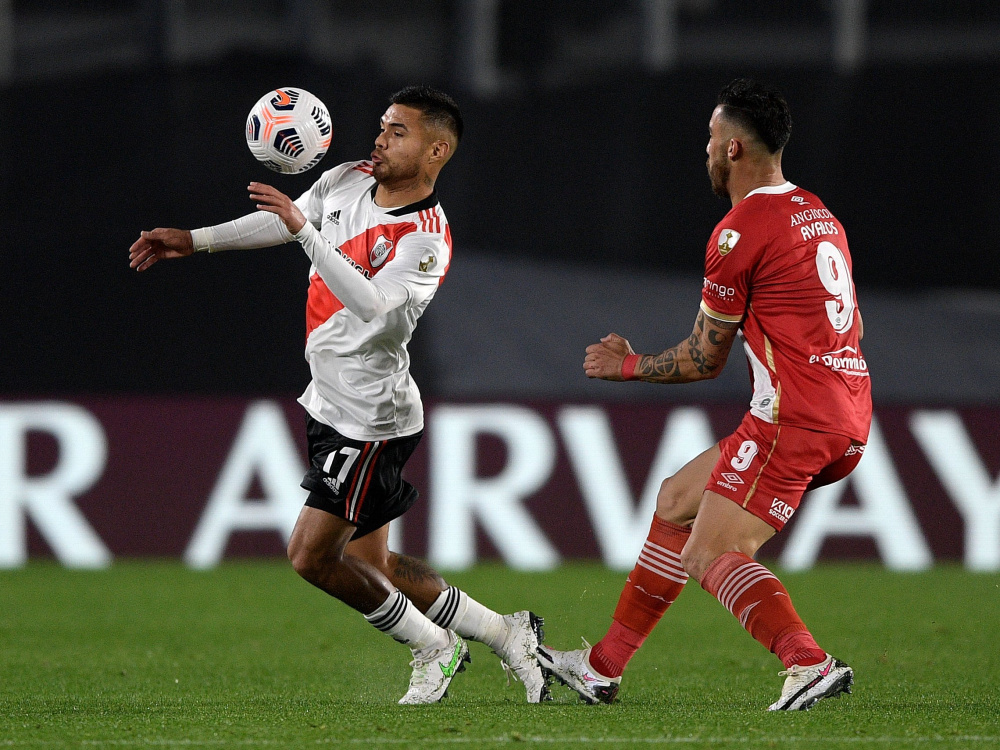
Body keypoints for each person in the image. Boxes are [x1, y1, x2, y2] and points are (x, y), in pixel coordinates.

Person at [128, 85, 548, 705]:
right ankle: (506, 632)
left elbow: (374, 308)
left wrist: (305, 232)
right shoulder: (347, 179)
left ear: (437, 151)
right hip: (329, 403)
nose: (379, 138)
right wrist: (196, 240)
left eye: (398, 132)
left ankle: (433, 645)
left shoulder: (427, 239)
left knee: (311, 557)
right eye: (382, 126)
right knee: (374, 566)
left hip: (370, 420)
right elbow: (286, 218)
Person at [536, 78, 871, 711]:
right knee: (677, 500)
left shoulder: (739, 232)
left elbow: (701, 359)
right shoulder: (818, 213)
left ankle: (808, 663)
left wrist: (627, 365)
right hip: (844, 410)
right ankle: (603, 666)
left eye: (712, 139)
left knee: (713, 550)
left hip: (792, 419)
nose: (707, 151)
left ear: (736, 148)